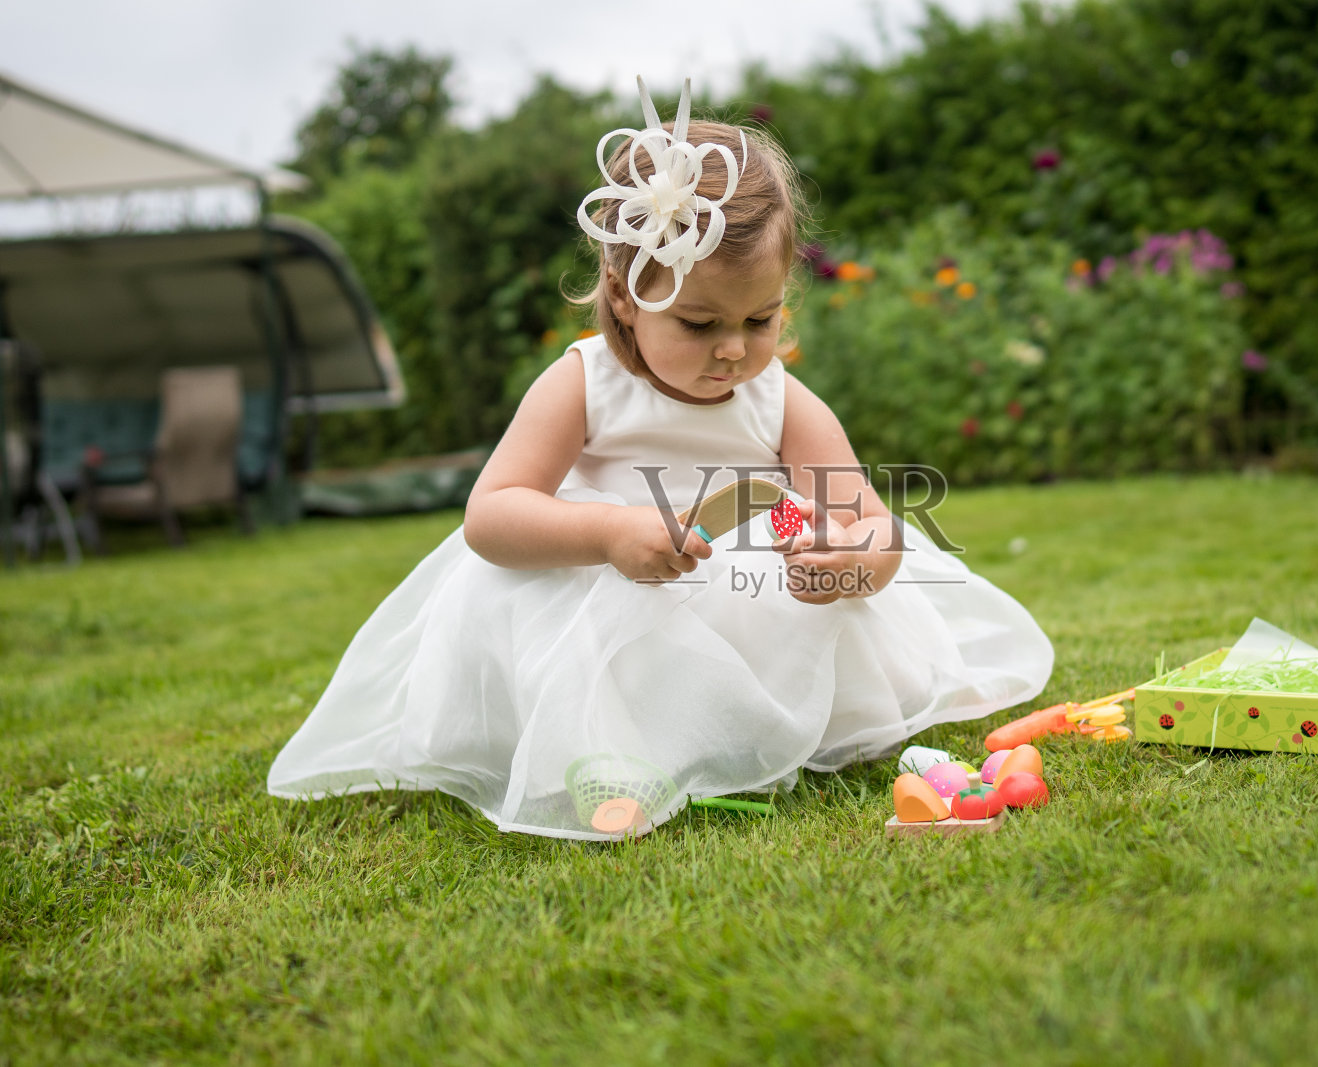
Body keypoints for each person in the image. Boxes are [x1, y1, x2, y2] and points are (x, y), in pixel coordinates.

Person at [268, 79, 1053, 840]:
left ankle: (768, 729)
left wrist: (851, 562)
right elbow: (492, 515)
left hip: (745, 598)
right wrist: (609, 534)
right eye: (698, 321)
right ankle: (611, 753)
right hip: (607, 587)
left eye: (761, 317)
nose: (735, 348)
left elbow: (873, 526)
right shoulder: (583, 384)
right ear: (622, 297)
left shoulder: (781, 399)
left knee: (782, 599)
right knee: (574, 624)